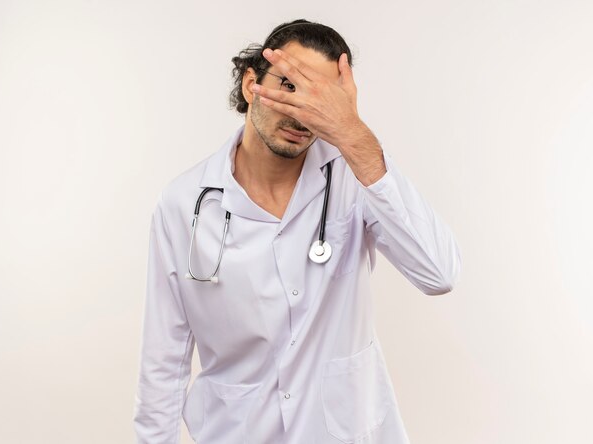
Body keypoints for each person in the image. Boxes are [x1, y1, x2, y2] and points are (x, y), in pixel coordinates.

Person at [134, 19, 461, 444]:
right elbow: (164, 358)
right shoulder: (183, 204)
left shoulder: (355, 176)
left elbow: (439, 273)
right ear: (252, 83)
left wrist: (352, 133)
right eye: (288, 86)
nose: (300, 112)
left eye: (319, 98)